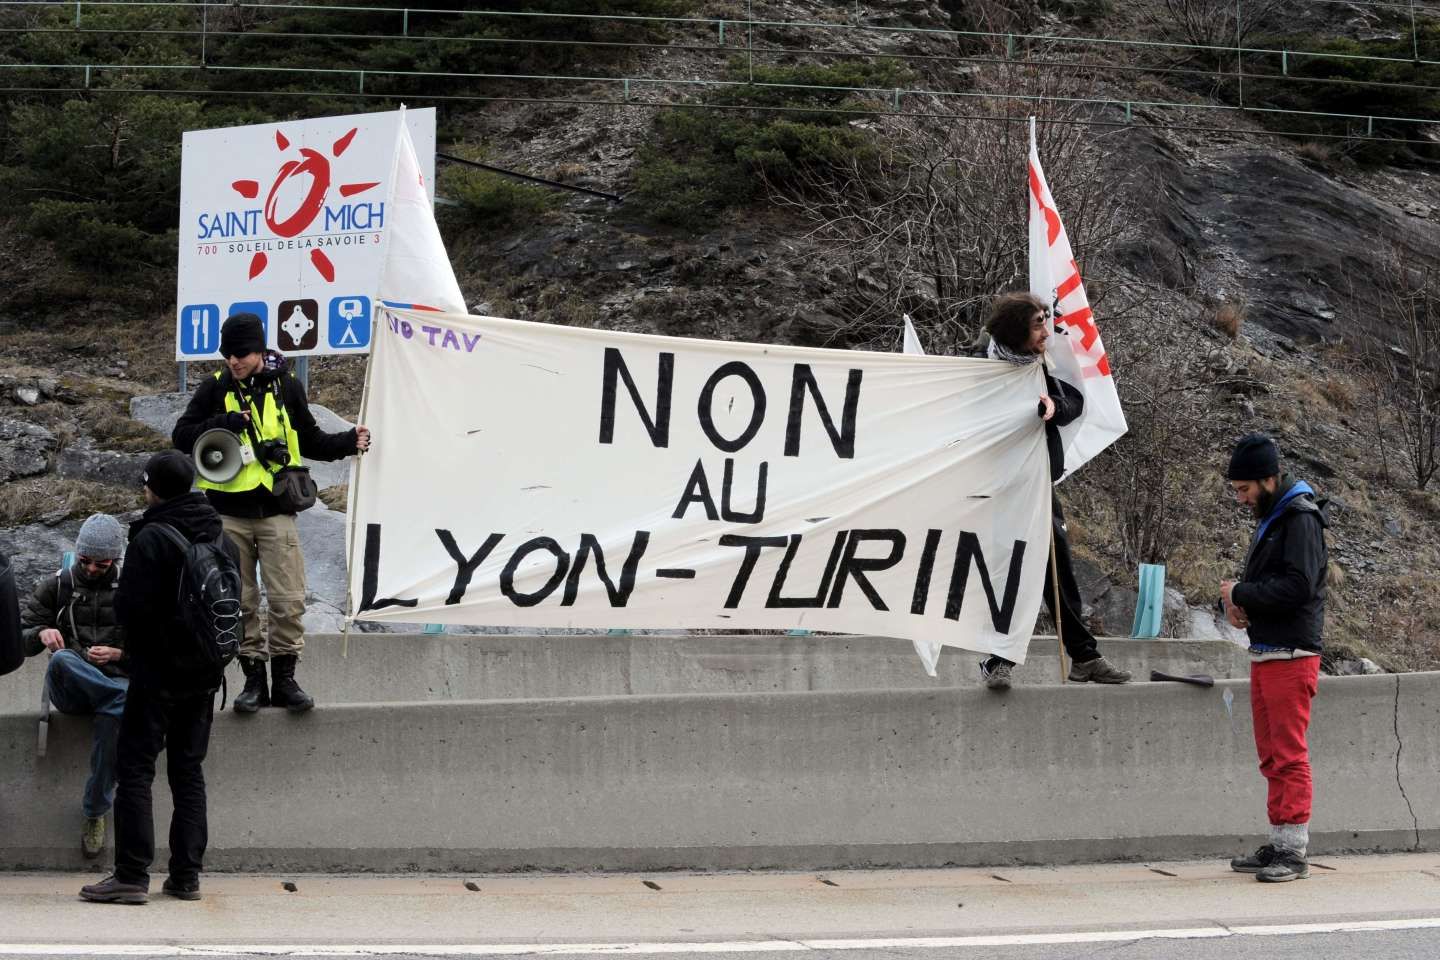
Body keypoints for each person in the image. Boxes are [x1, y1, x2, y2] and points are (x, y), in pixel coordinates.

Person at [171, 312, 370, 714]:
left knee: (288, 598)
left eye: (241, 353)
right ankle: (252, 682)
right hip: (227, 514)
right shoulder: (215, 388)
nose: (234, 361)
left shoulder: (288, 386)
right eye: (228, 354)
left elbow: (310, 438)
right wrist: (222, 422)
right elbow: (181, 436)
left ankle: (285, 680)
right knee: (239, 600)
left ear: (260, 349)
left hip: (278, 510)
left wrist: (349, 441)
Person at [81, 451, 236, 905]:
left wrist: (134, 654)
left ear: (153, 487)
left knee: (135, 768)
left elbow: (130, 610)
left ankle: (131, 874)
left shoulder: (152, 536)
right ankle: (186, 877)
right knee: (188, 771)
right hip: (206, 673)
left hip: (158, 673)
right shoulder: (218, 533)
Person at [976, 292, 1132, 690]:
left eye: (1047, 320)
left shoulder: (1041, 365)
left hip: (1039, 483)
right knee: (1011, 572)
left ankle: (1084, 658)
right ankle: (999, 660)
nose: (1048, 331)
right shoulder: (980, 367)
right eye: (1038, 324)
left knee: (1057, 571)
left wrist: (1053, 407)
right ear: (1016, 331)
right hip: (999, 487)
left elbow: (1074, 401)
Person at [1221, 433, 1329, 883]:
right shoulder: (1278, 515)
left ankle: (1293, 851)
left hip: (1291, 654)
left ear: (1269, 479)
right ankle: (1281, 840)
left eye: (1245, 490)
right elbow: (1280, 587)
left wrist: (1241, 591)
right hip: (1269, 651)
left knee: (1287, 754)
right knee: (1271, 754)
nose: (1242, 499)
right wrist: (1241, 606)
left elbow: (1298, 587)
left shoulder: (1300, 519)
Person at [21, 513, 128, 858]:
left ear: (116, 559)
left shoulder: (133, 588)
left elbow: (158, 646)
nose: (93, 569)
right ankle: (124, 698)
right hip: (74, 686)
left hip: (115, 679)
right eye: (85, 561)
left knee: (115, 712)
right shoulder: (58, 584)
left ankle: (94, 812)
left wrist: (118, 653)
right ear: (77, 554)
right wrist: (41, 633)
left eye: (102, 563)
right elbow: (19, 637)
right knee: (63, 660)